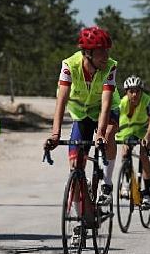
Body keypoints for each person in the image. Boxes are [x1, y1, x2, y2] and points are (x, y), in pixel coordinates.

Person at [44, 26, 120, 207]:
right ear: (88, 53)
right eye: (101, 52)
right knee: (75, 167)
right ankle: (81, 222)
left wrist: (100, 133)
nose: (106, 56)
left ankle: (107, 184)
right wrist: (55, 135)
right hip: (82, 115)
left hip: (106, 110)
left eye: (107, 51)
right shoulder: (69, 66)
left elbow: (106, 104)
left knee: (108, 135)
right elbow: (61, 102)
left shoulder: (110, 66)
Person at [116, 75, 150, 209]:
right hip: (130, 130)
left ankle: (147, 193)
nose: (134, 94)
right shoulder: (122, 103)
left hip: (147, 129)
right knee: (124, 153)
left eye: (137, 91)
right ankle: (126, 184)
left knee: (143, 155)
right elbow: (113, 119)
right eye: (131, 91)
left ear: (141, 91)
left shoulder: (147, 101)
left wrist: (146, 137)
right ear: (126, 92)